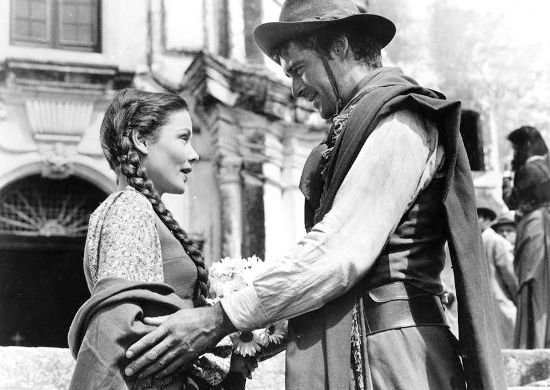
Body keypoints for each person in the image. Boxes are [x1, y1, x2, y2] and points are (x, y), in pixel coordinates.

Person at [123, 1, 505, 388]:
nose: (294, 89)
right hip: (363, 347)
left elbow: (339, 254)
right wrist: (258, 334)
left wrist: (221, 318)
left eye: (298, 69)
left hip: (394, 360)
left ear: (339, 47)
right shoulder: (360, 122)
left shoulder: (400, 121)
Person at [67, 89, 253, 389]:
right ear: (142, 140)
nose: (193, 153)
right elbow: (118, 328)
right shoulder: (130, 206)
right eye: (183, 137)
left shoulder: (142, 209)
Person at [504, 126, 550, 349]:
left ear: (525, 146)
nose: (514, 153)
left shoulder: (529, 170)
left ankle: (532, 343)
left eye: (515, 148)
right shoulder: (546, 167)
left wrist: (506, 178)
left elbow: (512, 201)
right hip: (543, 228)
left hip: (534, 228)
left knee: (530, 284)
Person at [477, 204, 518, 348]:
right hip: (499, 301)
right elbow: (509, 274)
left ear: (487, 220)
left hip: (495, 302)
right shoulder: (491, 240)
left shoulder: (489, 240)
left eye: (478, 216)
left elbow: (509, 274)